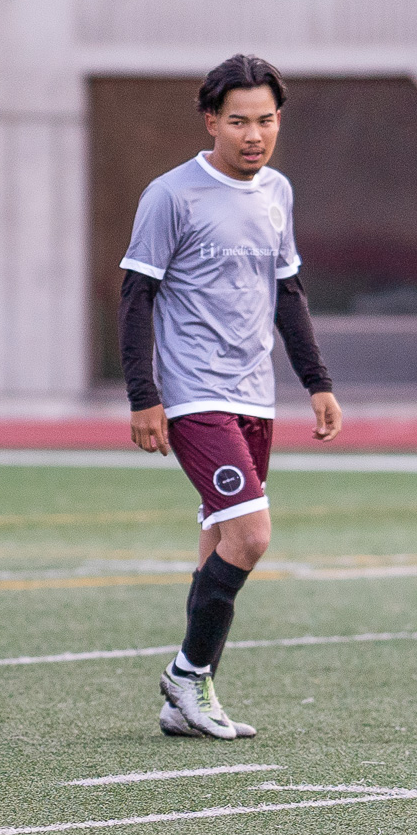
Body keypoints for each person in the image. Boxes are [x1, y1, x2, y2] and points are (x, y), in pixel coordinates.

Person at [117, 53, 341, 741]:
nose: (254, 134)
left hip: (256, 395)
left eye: (266, 120)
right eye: (238, 121)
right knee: (251, 534)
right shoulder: (170, 195)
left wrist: (318, 382)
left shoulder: (277, 192)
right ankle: (188, 674)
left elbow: (288, 293)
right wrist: (144, 395)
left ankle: (186, 699)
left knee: (219, 536)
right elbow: (136, 296)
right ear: (211, 121)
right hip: (193, 394)